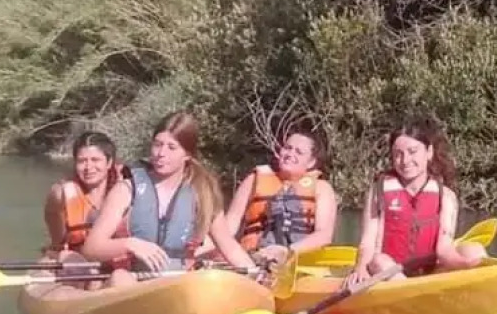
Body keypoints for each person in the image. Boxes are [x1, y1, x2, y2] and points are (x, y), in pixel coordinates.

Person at [79, 111, 259, 287]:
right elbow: (91, 248)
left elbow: (230, 247)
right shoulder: (126, 189)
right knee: (119, 278)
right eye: (157, 144)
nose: (161, 153)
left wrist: (256, 275)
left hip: (179, 284)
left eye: (171, 147)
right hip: (135, 283)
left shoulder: (204, 194)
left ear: (187, 155)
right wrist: (129, 244)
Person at [345, 118, 486, 289]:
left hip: (429, 275)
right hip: (384, 272)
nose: (405, 161)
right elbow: (367, 242)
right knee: (379, 260)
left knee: (474, 250)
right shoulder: (379, 191)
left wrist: (466, 264)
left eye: (413, 152)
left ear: (429, 152)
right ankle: (411, 295)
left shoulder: (446, 196)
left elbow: (444, 250)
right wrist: (360, 268)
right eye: (398, 153)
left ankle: (480, 289)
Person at [218, 125, 339, 267]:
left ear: (311, 162)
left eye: (299, 152)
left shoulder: (322, 188)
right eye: (287, 148)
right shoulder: (253, 180)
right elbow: (226, 229)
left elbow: (323, 235)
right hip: (253, 260)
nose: (290, 154)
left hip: (299, 263)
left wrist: (287, 251)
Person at [40, 131, 130, 260]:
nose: (88, 167)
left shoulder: (128, 188)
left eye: (95, 160)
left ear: (109, 163)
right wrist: (57, 248)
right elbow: (53, 224)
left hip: (116, 259)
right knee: (47, 265)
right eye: (82, 161)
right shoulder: (60, 193)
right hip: (76, 259)